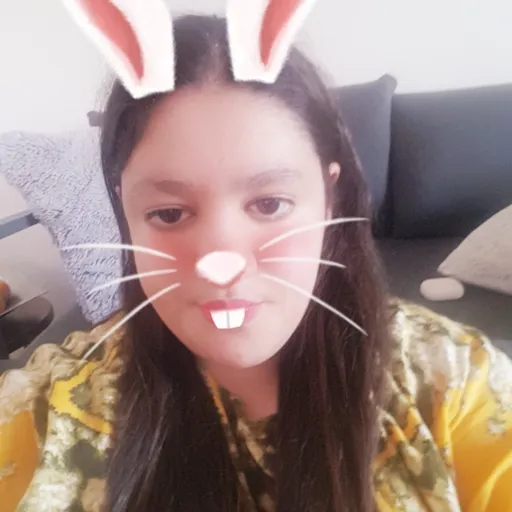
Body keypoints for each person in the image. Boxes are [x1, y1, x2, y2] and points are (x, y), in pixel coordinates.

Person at [1, 15, 511, 512]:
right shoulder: (45, 407)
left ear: (329, 199)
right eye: (169, 213)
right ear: (125, 209)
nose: (219, 264)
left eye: (270, 204)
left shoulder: (455, 383)